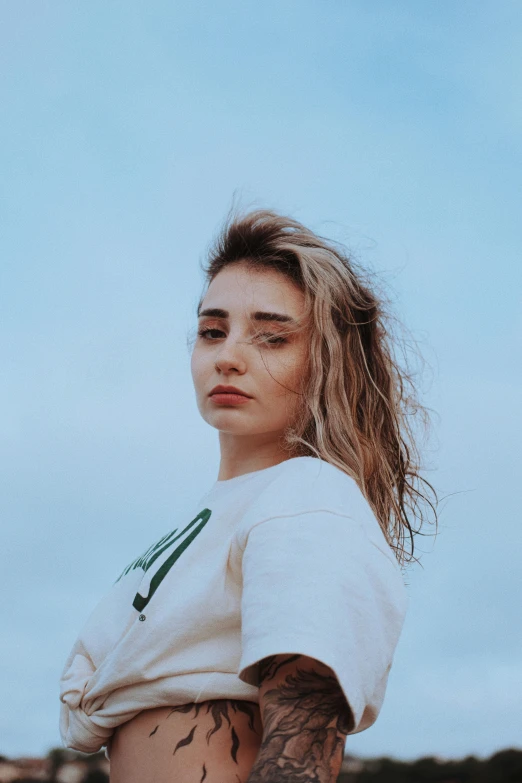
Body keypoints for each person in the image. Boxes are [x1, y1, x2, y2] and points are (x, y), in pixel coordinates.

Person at [59, 207, 438, 783]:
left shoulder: (307, 495)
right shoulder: (217, 511)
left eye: (272, 337)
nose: (228, 356)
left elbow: (300, 758)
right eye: (213, 331)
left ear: (324, 363)